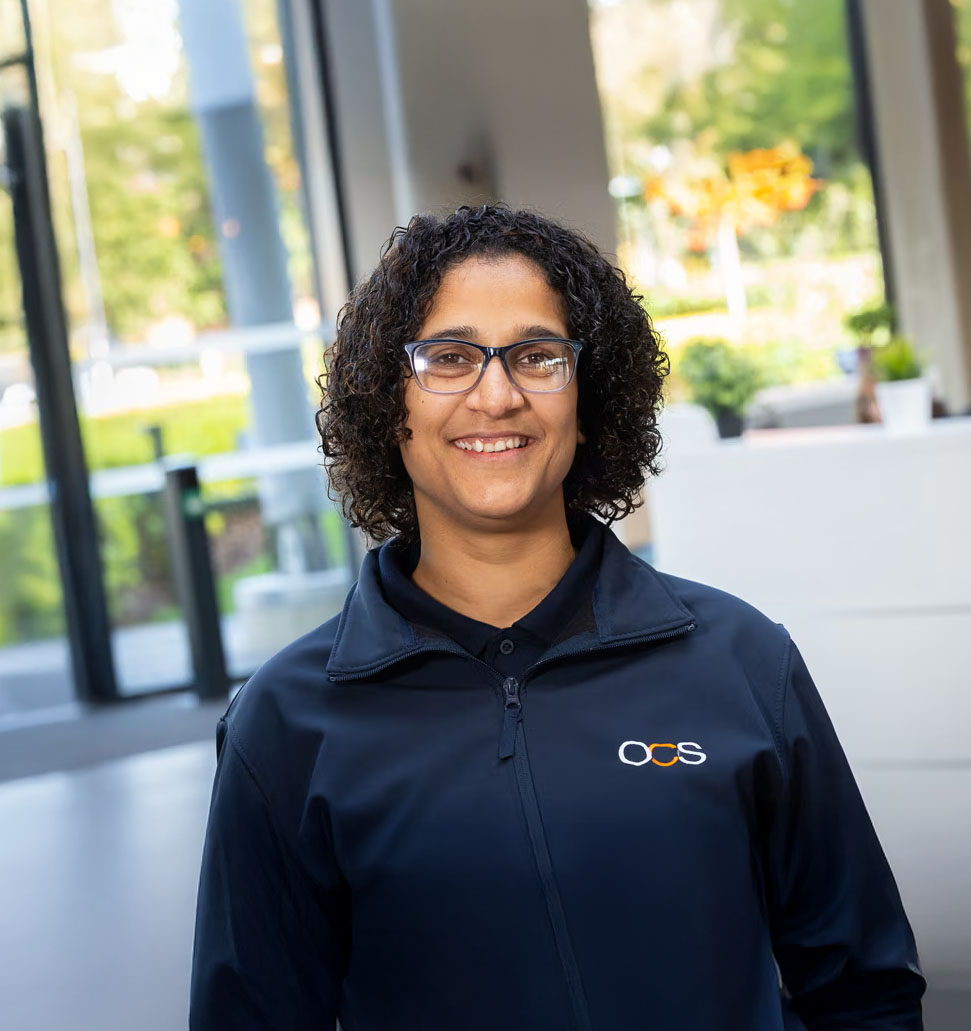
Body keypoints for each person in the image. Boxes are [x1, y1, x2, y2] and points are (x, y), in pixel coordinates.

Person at [189, 204, 926, 1030]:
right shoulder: (287, 722)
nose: (496, 395)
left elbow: (865, 990)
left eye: (537, 356)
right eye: (449, 357)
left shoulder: (740, 660)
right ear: (389, 403)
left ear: (587, 396)